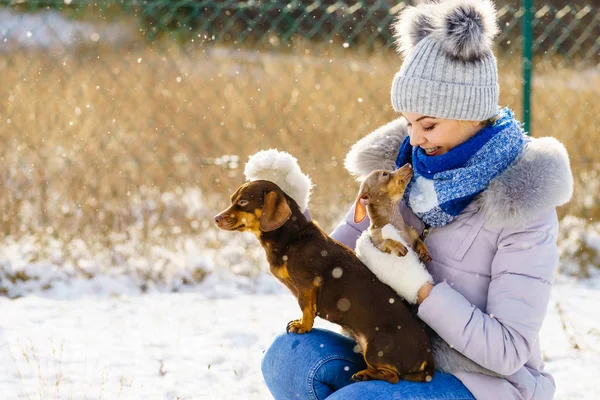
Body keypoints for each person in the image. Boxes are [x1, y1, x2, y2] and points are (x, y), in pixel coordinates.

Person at [260, 0, 573, 399]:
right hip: (391, 347)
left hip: (477, 380)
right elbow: (331, 265)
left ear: (474, 115)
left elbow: (508, 351)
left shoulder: (521, 206)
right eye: (408, 122)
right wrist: (291, 218)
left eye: (428, 124)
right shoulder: (399, 175)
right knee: (288, 356)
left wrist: (420, 288)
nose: (414, 139)